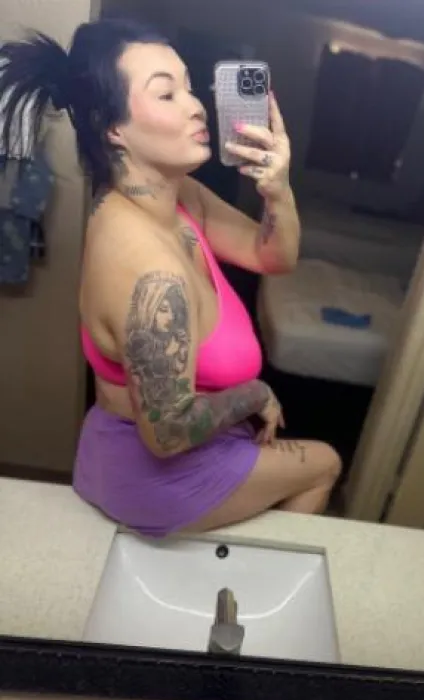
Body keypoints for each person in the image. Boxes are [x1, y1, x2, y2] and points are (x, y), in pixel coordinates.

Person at [0, 18, 342, 537]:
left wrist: (278, 190)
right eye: (166, 94)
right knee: (326, 464)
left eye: (189, 86)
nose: (196, 105)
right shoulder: (148, 269)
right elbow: (167, 435)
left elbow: (273, 255)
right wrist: (255, 394)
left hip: (136, 443)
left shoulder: (178, 199)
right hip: (154, 476)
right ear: (112, 127)